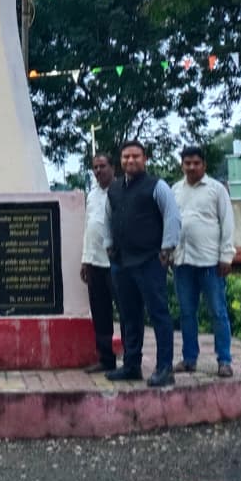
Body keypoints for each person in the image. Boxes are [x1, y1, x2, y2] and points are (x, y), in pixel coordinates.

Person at [104, 139, 181, 388]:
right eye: (126, 157)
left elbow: (172, 216)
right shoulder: (114, 189)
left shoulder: (157, 186)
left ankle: (165, 368)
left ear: (145, 159)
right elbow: (108, 218)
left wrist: (167, 247)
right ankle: (131, 365)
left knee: (158, 314)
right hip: (122, 261)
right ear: (121, 160)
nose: (131, 160)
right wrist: (108, 244)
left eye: (136, 156)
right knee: (129, 316)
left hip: (150, 260)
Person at [172, 146, 236, 378]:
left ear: (204, 165)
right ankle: (189, 358)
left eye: (196, 163)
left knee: (218, 312)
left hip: (211, 262)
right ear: (182, 165)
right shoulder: (175, 190)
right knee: (187, 313)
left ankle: (224, 360)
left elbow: (227, 223)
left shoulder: (216, 189)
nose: (191, 167)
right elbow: (170, 223)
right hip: (183, 261)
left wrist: (226, 256)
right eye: (187, 163)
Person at [80, 154, 118, 373]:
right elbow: (88, 228)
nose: (98, 171)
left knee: (125, 311)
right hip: (95, 262)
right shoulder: (92, 195)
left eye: (102, 166)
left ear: (112, 168)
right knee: (100, 312)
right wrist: (85, 260)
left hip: (116, 263)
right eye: (95, 167)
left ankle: (132, 360)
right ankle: (105, 358)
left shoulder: (120, 191)